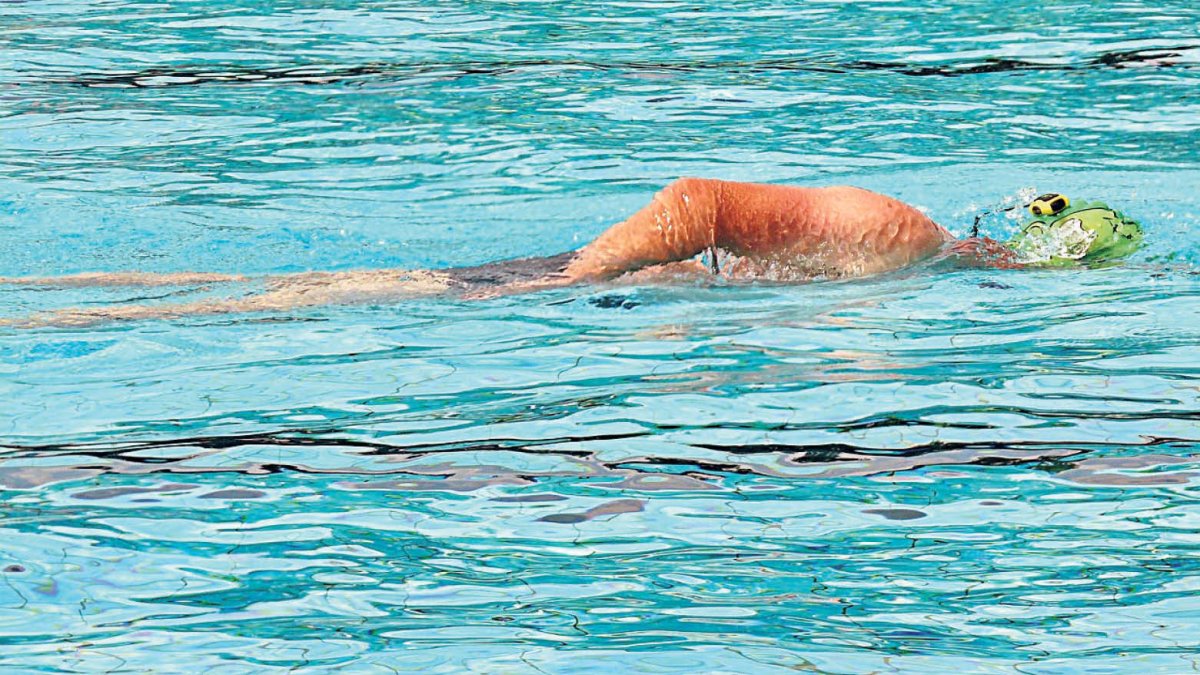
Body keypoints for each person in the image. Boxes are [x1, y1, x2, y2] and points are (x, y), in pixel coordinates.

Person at [0, 179, 1143, 328]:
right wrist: (587, 278)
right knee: (322, 296)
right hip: (614, 262)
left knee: (322, 291)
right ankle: (52, 320)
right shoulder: (901, 234)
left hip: (623, 270)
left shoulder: (915, 264)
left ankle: (54, 298)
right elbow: (701, 199)